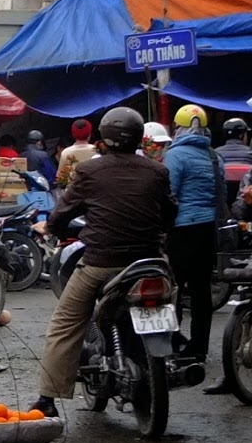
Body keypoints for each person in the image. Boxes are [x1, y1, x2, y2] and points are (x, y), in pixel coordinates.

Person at [30, 107, 175, 417]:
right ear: (140, 138)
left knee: (64, 324)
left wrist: (51, 227)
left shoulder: (90, 171)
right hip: (151, 262)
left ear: (104, 139)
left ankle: (48, 399)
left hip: (101, 263)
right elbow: (169, 213)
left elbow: (64, 211)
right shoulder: (157, 171)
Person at [163, 105, 223, 368]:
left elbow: (169, 193)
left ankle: (173, 343)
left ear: (179, 127)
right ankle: (199, 348)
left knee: (174, 290)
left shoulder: (175, 156)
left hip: (182, 229)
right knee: (201, 292)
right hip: (208, 229)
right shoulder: (214, 156)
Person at [55, 118, 97, 189]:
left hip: (73, 193)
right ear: (89, 134)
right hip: (93, 192)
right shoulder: (96, 150)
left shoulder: (66, 152)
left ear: (73, 134)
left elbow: (61, 179)